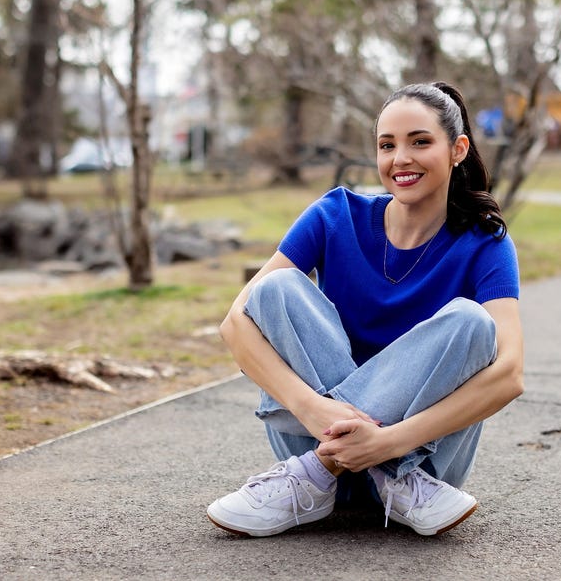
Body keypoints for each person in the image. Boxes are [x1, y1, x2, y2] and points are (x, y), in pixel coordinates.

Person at [207, 81, 524, 537]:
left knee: (471, 322)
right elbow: (234, 323)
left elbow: (510, 374)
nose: (401, 159)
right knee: (275, 288)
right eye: (387, 145)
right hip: (313, 440)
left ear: (457, 150)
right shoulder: (335, 215)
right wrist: (313, 409)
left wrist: (388, 443)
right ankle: (324, 473)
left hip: (423, 472)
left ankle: (363, 472)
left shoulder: (485, 242)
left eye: (420, 142)